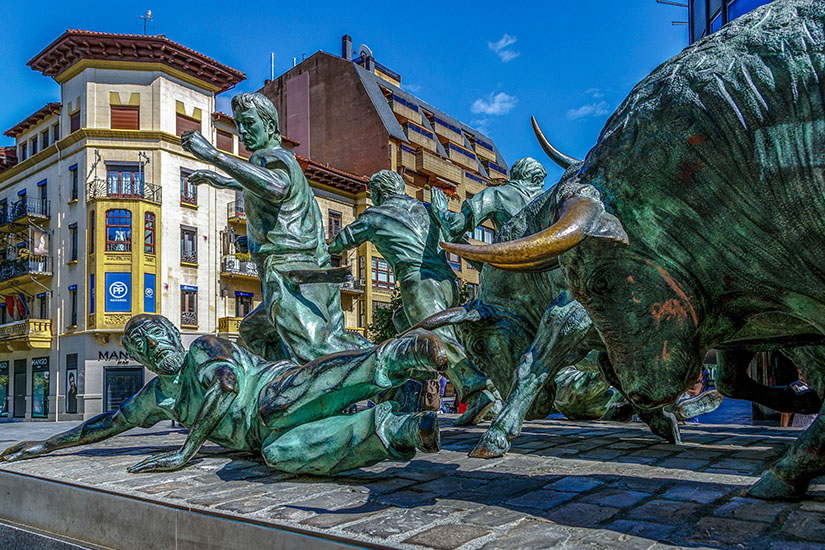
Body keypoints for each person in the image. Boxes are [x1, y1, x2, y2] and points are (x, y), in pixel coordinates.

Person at [1, 314, 446, 476]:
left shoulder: (204, 348)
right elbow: (107, 424)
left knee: (292, 399)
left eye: (157, 337)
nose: (153, 349)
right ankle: (402, 429)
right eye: (142, 348)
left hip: (267, 392)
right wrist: (45, 444)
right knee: (284, 453)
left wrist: (184, 453)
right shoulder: (158, 395)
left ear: (174, 335)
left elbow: (225, 389)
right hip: (259, 440)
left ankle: (398, 356)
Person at [181, 93, 367, 364]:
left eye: (249, 123)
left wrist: (214, 155)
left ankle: (391, 369)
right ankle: (293, 384)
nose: (243, 132)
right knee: (254, 331)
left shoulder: (269, 157)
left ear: (270, 127)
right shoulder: (286, 165)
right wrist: (252, 236)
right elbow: (278, 198)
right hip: (308, 269)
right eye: (239, 126)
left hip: (289, 271)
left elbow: (275, 187)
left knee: (317, 352)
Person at [328, 170, 500, 425]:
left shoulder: (375, 214)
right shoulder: (427, 209)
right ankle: (408, 390)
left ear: (376, 195)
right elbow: (454, 236)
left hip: (418, 282)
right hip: (448, 283)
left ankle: (478, 391)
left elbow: (337, 244)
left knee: (439, 338)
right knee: (404, 325)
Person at [431, 157, 547, 243]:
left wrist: (440, 210)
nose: (542, 187)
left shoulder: (495, 194)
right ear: (535, 179)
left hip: (513, 266)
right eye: (540, 182)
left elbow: (455, 226)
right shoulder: (547, 203)